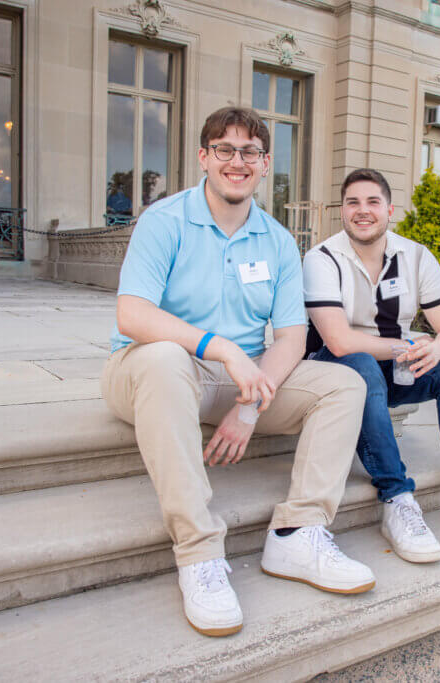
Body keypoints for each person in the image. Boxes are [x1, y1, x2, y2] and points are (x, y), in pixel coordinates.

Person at [101, 108, 374, 638]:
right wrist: (220, 346)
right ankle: (200, 555)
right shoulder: (165, 221)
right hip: (149, 370)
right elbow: (132, 315)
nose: (236, 161)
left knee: (345, 382)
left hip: (237, 382)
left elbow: (293, 338)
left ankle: (298, 532)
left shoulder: (275, 240)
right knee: (162, 358)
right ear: (204, 157)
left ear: (265, 163)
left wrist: (249, 407)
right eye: (223, 149)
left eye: (249, 152)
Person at [302, 168, 440, 564]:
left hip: (394, 365)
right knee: (361, 363)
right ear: (342, 211)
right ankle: (397, 497)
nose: (362, 211)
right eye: (353, 202)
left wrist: (435, 349)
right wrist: (408, 343)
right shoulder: (321, 259)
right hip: (335, 369)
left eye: (372, 202)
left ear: (389, 210)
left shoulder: (416, 256)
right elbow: (338, 340)